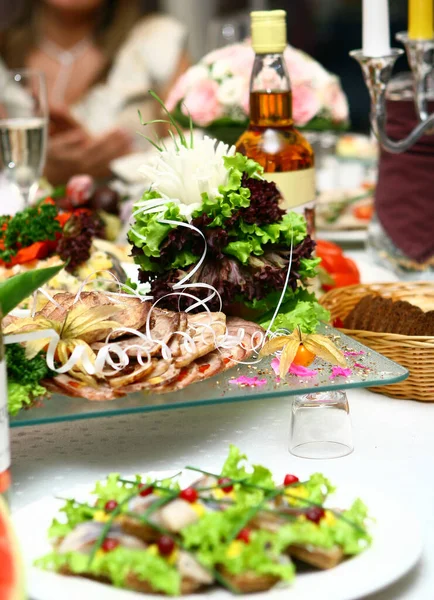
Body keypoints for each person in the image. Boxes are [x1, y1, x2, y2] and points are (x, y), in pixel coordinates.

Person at [0, 0, 190, 184]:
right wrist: (44, 171)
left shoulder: (156, 40)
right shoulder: (4, 53)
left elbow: (193, 157)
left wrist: (125, 165)